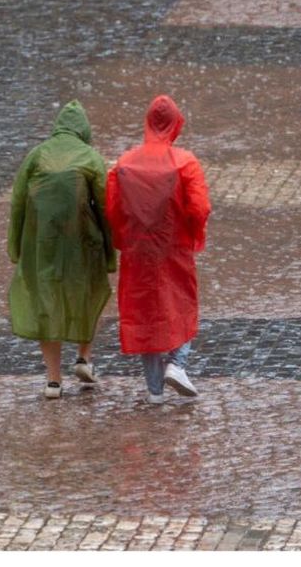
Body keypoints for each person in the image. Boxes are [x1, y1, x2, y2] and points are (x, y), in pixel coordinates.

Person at [107, 95, 212, 404]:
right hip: (173, 247)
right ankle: (177, 363)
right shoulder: (185, 163)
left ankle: (154, 390)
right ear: (176, 124)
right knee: (181, 304)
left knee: (145, 313)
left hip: (138, 250)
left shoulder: (125, 163)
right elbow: (200, 207)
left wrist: (124, 239)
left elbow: (113, 209)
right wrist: (192, 233)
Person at [8, 100, 115, 399]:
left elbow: (18, 202)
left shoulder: (37, 155)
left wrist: (15, 246)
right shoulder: (91, 158)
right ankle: (83, 357)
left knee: (46, 302)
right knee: (88, 292)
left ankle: (53, 380)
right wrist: (110, 250)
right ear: (84, 130)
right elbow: (106, 207)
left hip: (41, 242)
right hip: (82, 241)